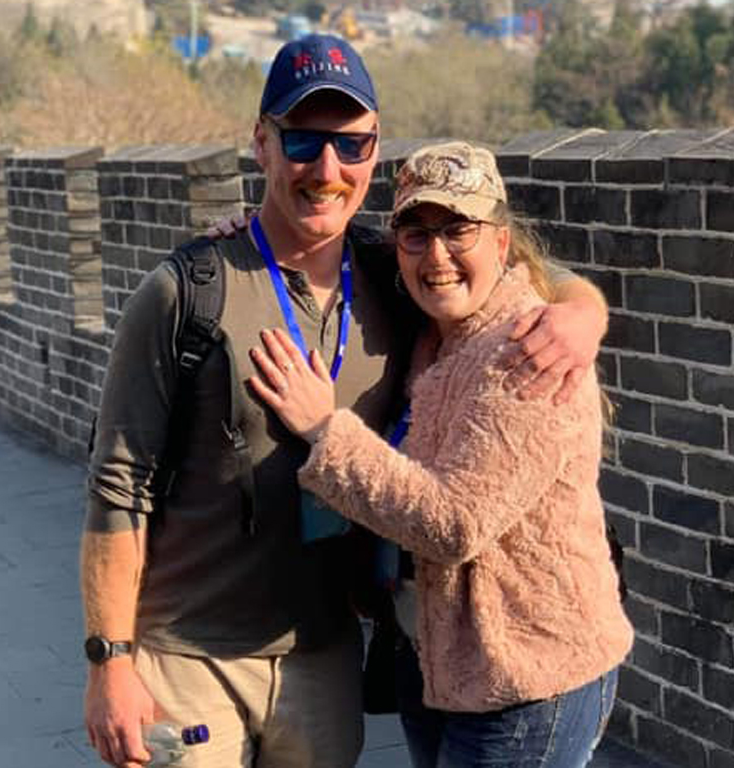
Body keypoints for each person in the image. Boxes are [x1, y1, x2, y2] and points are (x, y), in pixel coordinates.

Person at [80, 34, 610, 768]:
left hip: (323, 653)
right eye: (302, 140)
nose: (326, 169)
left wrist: (585, 313)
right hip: (192, 654)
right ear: (261, 143)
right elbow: (117, 485)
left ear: (373, 154)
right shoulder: (187, 291)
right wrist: (110, 660)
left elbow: (503, 271)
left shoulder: (392, 278)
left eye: (351, 146)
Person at [248, 141, 633, 768]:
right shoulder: (431, 326)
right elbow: (308, 243)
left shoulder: (524, 352)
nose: (437, 255)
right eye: (416, 234)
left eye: (459, 230)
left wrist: (324, 427)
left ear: (501, 243)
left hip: (527, 676)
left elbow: (454, 524)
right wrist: (243, 235)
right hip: (437, 657)